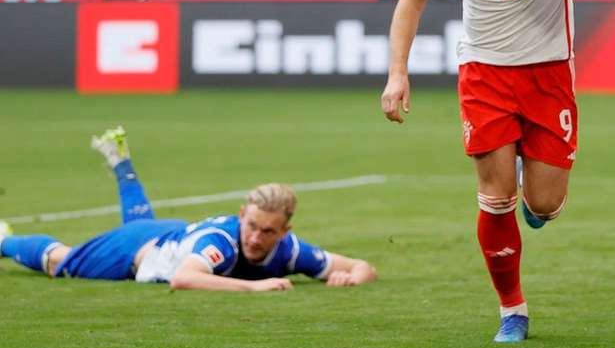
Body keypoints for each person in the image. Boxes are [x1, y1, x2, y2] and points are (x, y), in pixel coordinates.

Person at [380, 0, 615, 343]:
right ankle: (513, 309)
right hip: (485, 70)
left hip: (550, 68)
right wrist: (398, 72)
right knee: (495, 194)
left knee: (545, 203)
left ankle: (537, 208)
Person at [0, 128, 377, 290]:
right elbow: (185, 279)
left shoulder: (290, 251)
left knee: (144, 224)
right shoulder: (222, 242)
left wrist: (349, 279)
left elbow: (364, 267)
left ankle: (122, 163)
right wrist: (256, 288)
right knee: (60, 263)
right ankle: (5, 241)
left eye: (267, 232)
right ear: (241, 214)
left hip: (167, 234)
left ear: (284, 232)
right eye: (251, 226)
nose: (256, 237)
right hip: (133, 252)